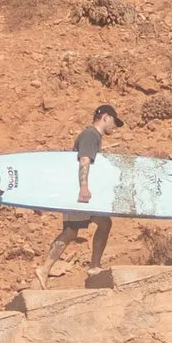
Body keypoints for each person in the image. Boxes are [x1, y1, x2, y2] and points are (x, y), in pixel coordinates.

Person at [48, 101, 123, 270]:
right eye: (114, 122)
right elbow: (84, 159)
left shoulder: (94, 136)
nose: (115, 127)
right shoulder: (90, 135)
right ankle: (44, 269)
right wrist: (83, 187)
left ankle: (94, 265)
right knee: (70, 232)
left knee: (103, 223)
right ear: (106, 117)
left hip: (79, 192)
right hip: (78, 193)